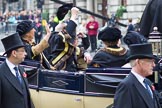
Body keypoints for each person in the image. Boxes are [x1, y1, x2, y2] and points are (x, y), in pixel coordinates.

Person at [113, 43, 161, 108]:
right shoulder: (126, 85)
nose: (154, 65)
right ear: (138, 62)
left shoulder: (147, 82)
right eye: (150, 61)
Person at [48, 7, 91, 71]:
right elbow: (64, 36)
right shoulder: (59, 42)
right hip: (61, 75)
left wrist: (85, 52)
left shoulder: (73, 48)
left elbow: (85, 46)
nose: (77, 41)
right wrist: (73, 16)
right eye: (75, 39)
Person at [0, 33, 34, 108]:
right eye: (22, 51)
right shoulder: (1, 72)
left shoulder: (21, 70)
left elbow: (27, 97)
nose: (25, 54)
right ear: (14, 53)